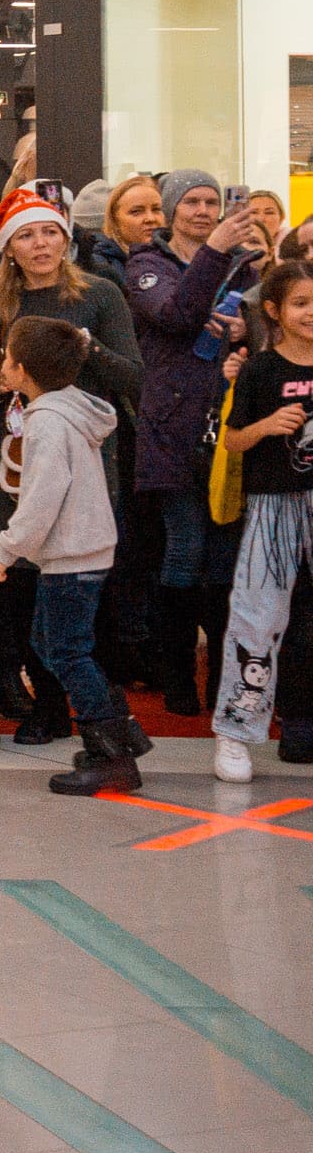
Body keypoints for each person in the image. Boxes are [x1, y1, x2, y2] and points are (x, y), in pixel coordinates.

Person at [0, 189, 143, 741]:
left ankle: (101, 713)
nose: (40, 243)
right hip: (16, 456)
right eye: (26, 234)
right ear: (9, 249)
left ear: (67, 237)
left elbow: (132, 379)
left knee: (74, 590)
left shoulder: (101, 295)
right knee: (22, 587)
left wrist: (86, 348)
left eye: (49, 231)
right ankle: (45, 708)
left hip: (87, 456)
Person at [126, 167, 269, 715]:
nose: (205, 210)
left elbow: (276, 337)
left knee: (225, 561)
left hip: (231, 429)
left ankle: (222, 677)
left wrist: (246, 328)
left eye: (213, 201)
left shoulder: (246, 268)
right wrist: (213, 251)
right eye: (192, 201)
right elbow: (177, 313)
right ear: (170, 209)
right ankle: (178, 675)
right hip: (173, 433)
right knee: (184, 552)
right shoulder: (146, 265)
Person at [0, 317, 146, 793]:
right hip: (85, 552)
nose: (2, 364)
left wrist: (4, 552)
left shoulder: (48, 424)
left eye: (7, 357)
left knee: (67, 652)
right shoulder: (70, 410)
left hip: (70, 559)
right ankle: (118, 728)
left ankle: (112, 751)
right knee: (53, 642)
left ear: (21, 369)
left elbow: (40, 499)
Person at [210, 259, 313, 780]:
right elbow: (232, 440)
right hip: (272, 504)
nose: (311, 313)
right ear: (273, 310)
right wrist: (270, 424)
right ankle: (235, 734)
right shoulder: (260, 369)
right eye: (301, 303)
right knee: (257, 617)